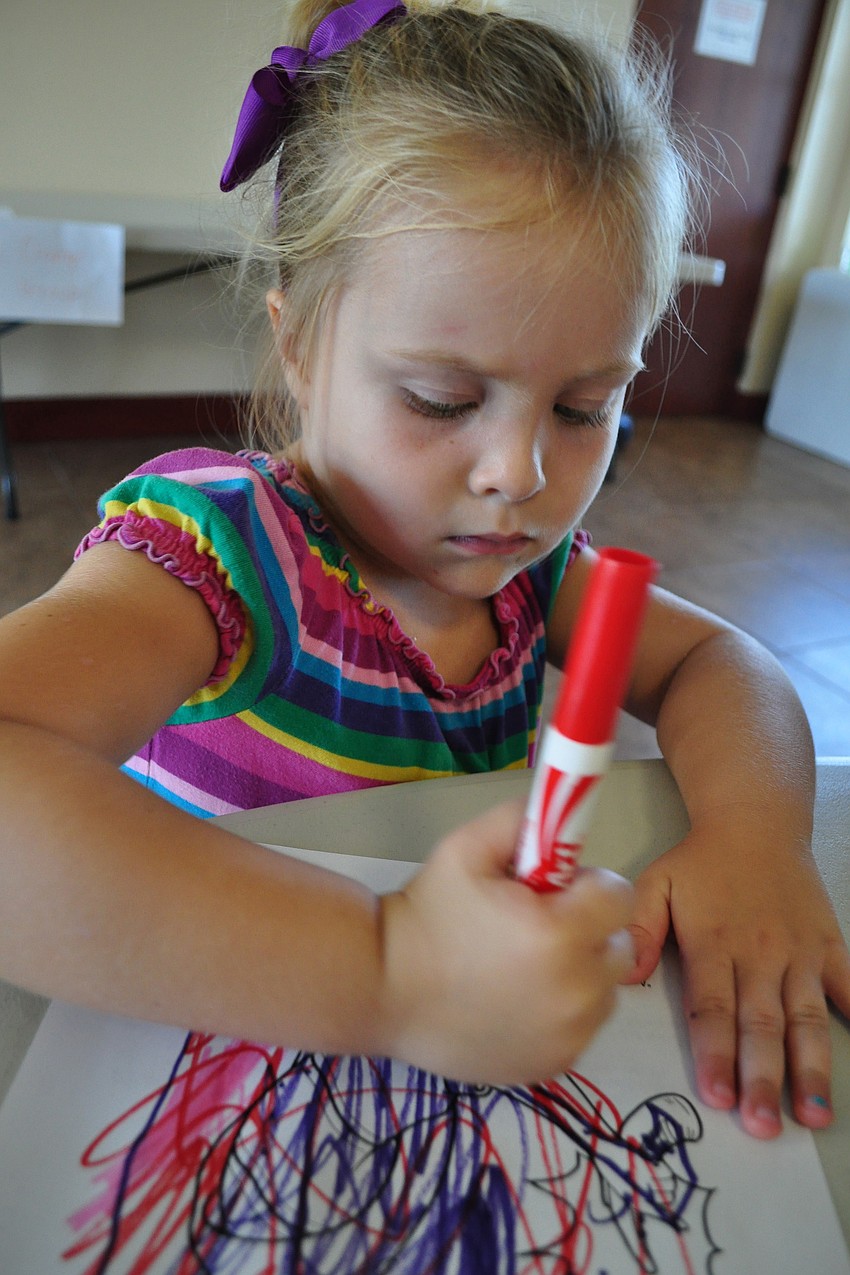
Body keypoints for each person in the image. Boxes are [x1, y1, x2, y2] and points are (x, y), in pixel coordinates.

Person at [0, 0, 847, 1142]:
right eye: (442, 400)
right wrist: (386, 975)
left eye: (585, 405)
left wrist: (753, 839)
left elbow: (719, 659)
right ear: (298, 344)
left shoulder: (527, 582)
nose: (519, 470)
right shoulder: (220, 557)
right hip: (201, 1091)